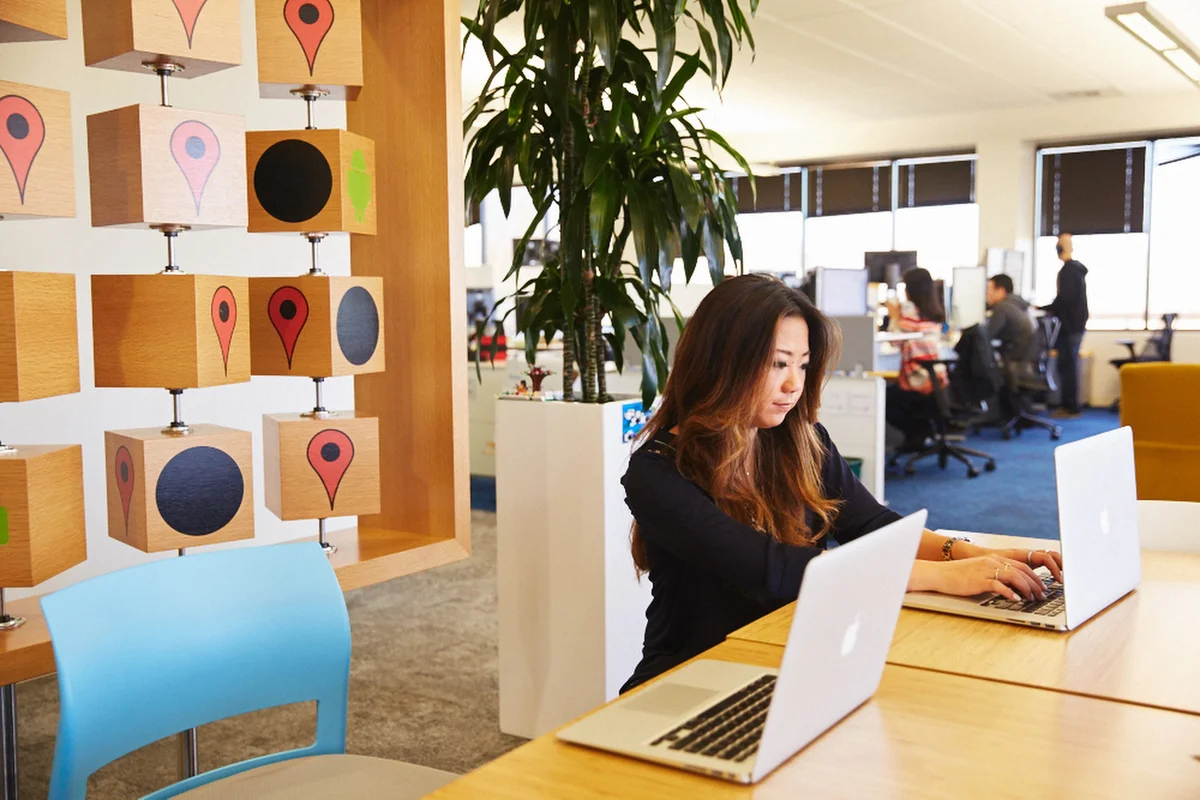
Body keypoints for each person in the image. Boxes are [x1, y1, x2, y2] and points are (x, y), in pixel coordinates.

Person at [619, 274, 1064, 691]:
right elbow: (773, 572)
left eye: (803, 365)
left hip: (792, 660)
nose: (794, 384)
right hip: (694, 677)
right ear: (722, 363)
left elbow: (871, 524)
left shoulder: (800, 442)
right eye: (777, 364)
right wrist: (943, 577)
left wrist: (973, 554)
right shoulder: (657, 473)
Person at [883, 267, 947, 451]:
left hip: (920, 383)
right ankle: (919, 432)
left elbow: (895, 342)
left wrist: (895, 315)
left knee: (884, 398)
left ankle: (918, 431)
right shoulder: (933, 314)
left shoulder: (910, 317)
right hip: (936, 382)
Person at [1039, 233, 1088, 418]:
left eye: (1061, 243)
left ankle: (1070, 407)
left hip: (1070, 328)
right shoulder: (1075, 271)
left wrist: (1043, 308)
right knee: (1069, 366)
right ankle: (1070, 406)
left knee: (1067, 367)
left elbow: (1063, 301)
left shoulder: (1069, 271)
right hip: (1076, 326)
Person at [985, 273, 1034, 362]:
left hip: (1014, 356)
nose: (987, 293)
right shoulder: (1017, 303)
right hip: (1024, 356)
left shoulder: (1003, 307)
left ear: (1001, 291)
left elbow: (987, 335)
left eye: (989, 289)